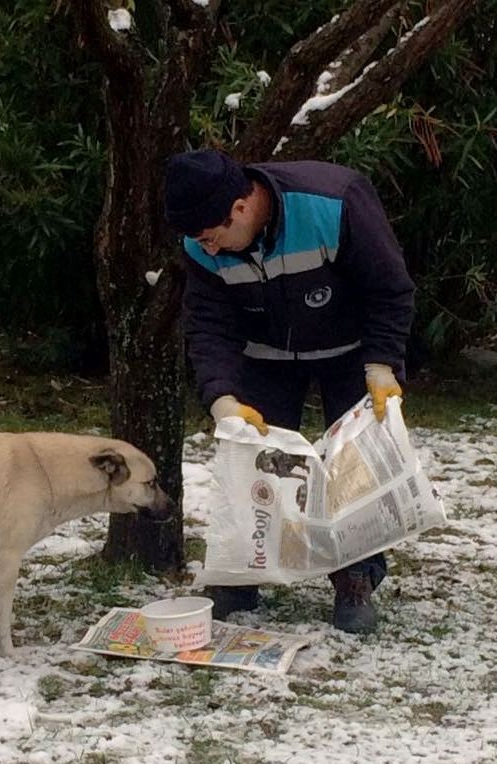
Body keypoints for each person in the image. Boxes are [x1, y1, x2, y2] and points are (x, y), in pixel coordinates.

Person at [164, 149, 415, 634]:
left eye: (211, 237)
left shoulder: (333, 203)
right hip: (267, 355)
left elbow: (390, 288)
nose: (207, 249)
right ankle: (238, 578)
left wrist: (382, 364)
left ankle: (355, 578)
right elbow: (207, 325)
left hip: (352, 351)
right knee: (253, 462)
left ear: (239, 208)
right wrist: (223, 399)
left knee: (352, 469)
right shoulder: (202, 246)